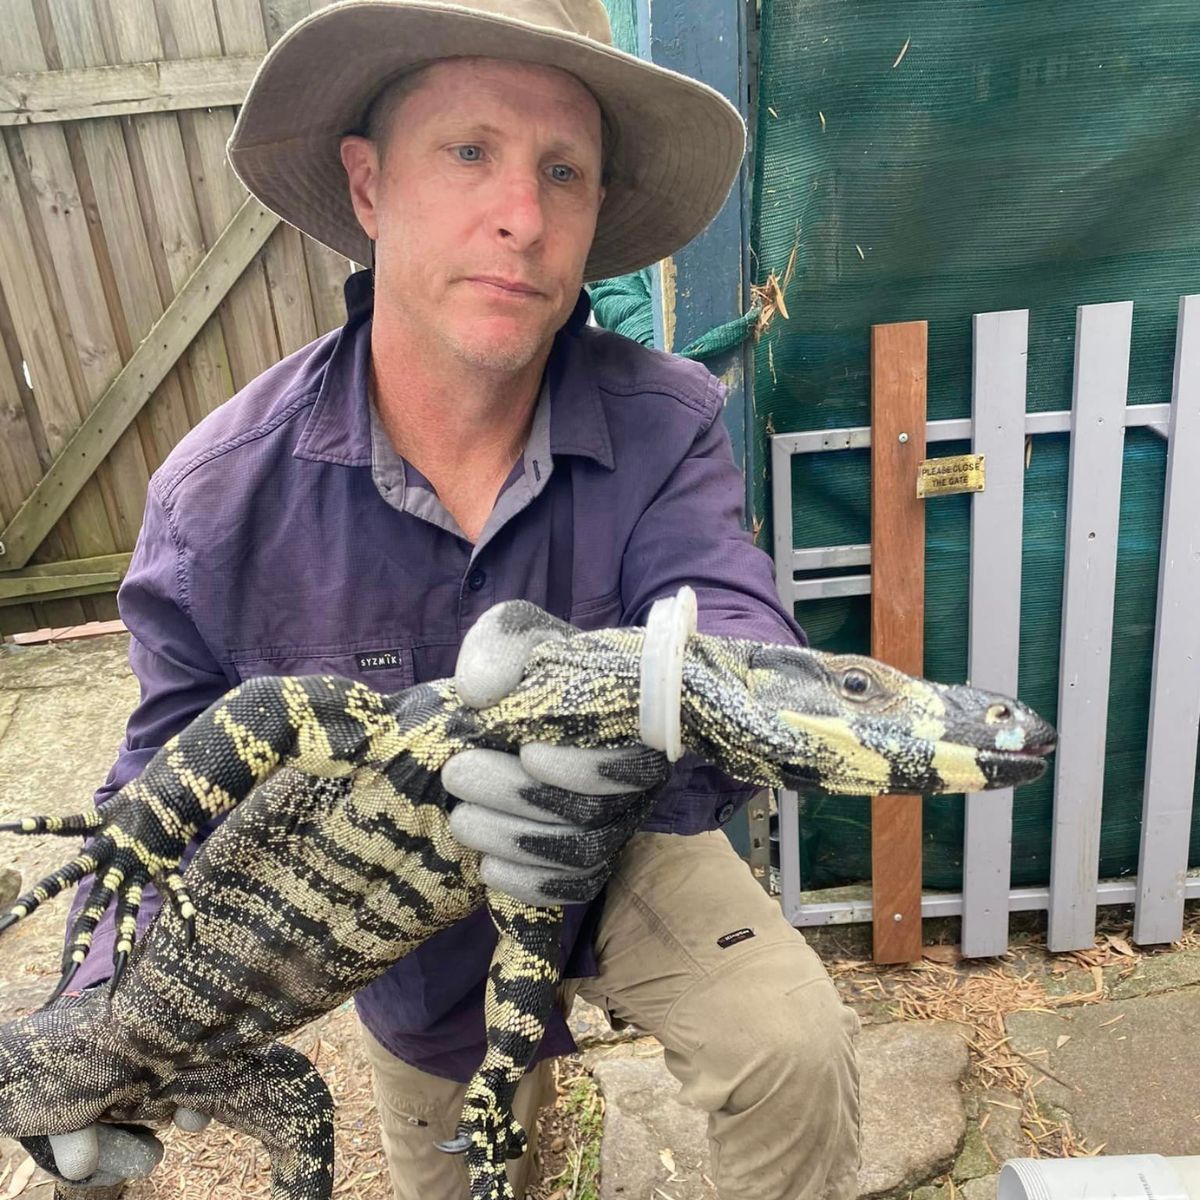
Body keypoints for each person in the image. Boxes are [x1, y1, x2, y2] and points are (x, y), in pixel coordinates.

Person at [41, 2, 860, 1198]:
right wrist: (84, 1023)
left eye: (562, 172)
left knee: (791, 1045)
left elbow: (744, 646)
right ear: (369, 188)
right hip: (398, 923)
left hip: (626, 839)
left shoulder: (666, 419)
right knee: (459, 1177)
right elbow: (156, 788)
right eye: (469, 151)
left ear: (593, 220)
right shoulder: (217, 499)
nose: (520, 217)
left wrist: (613, 753)